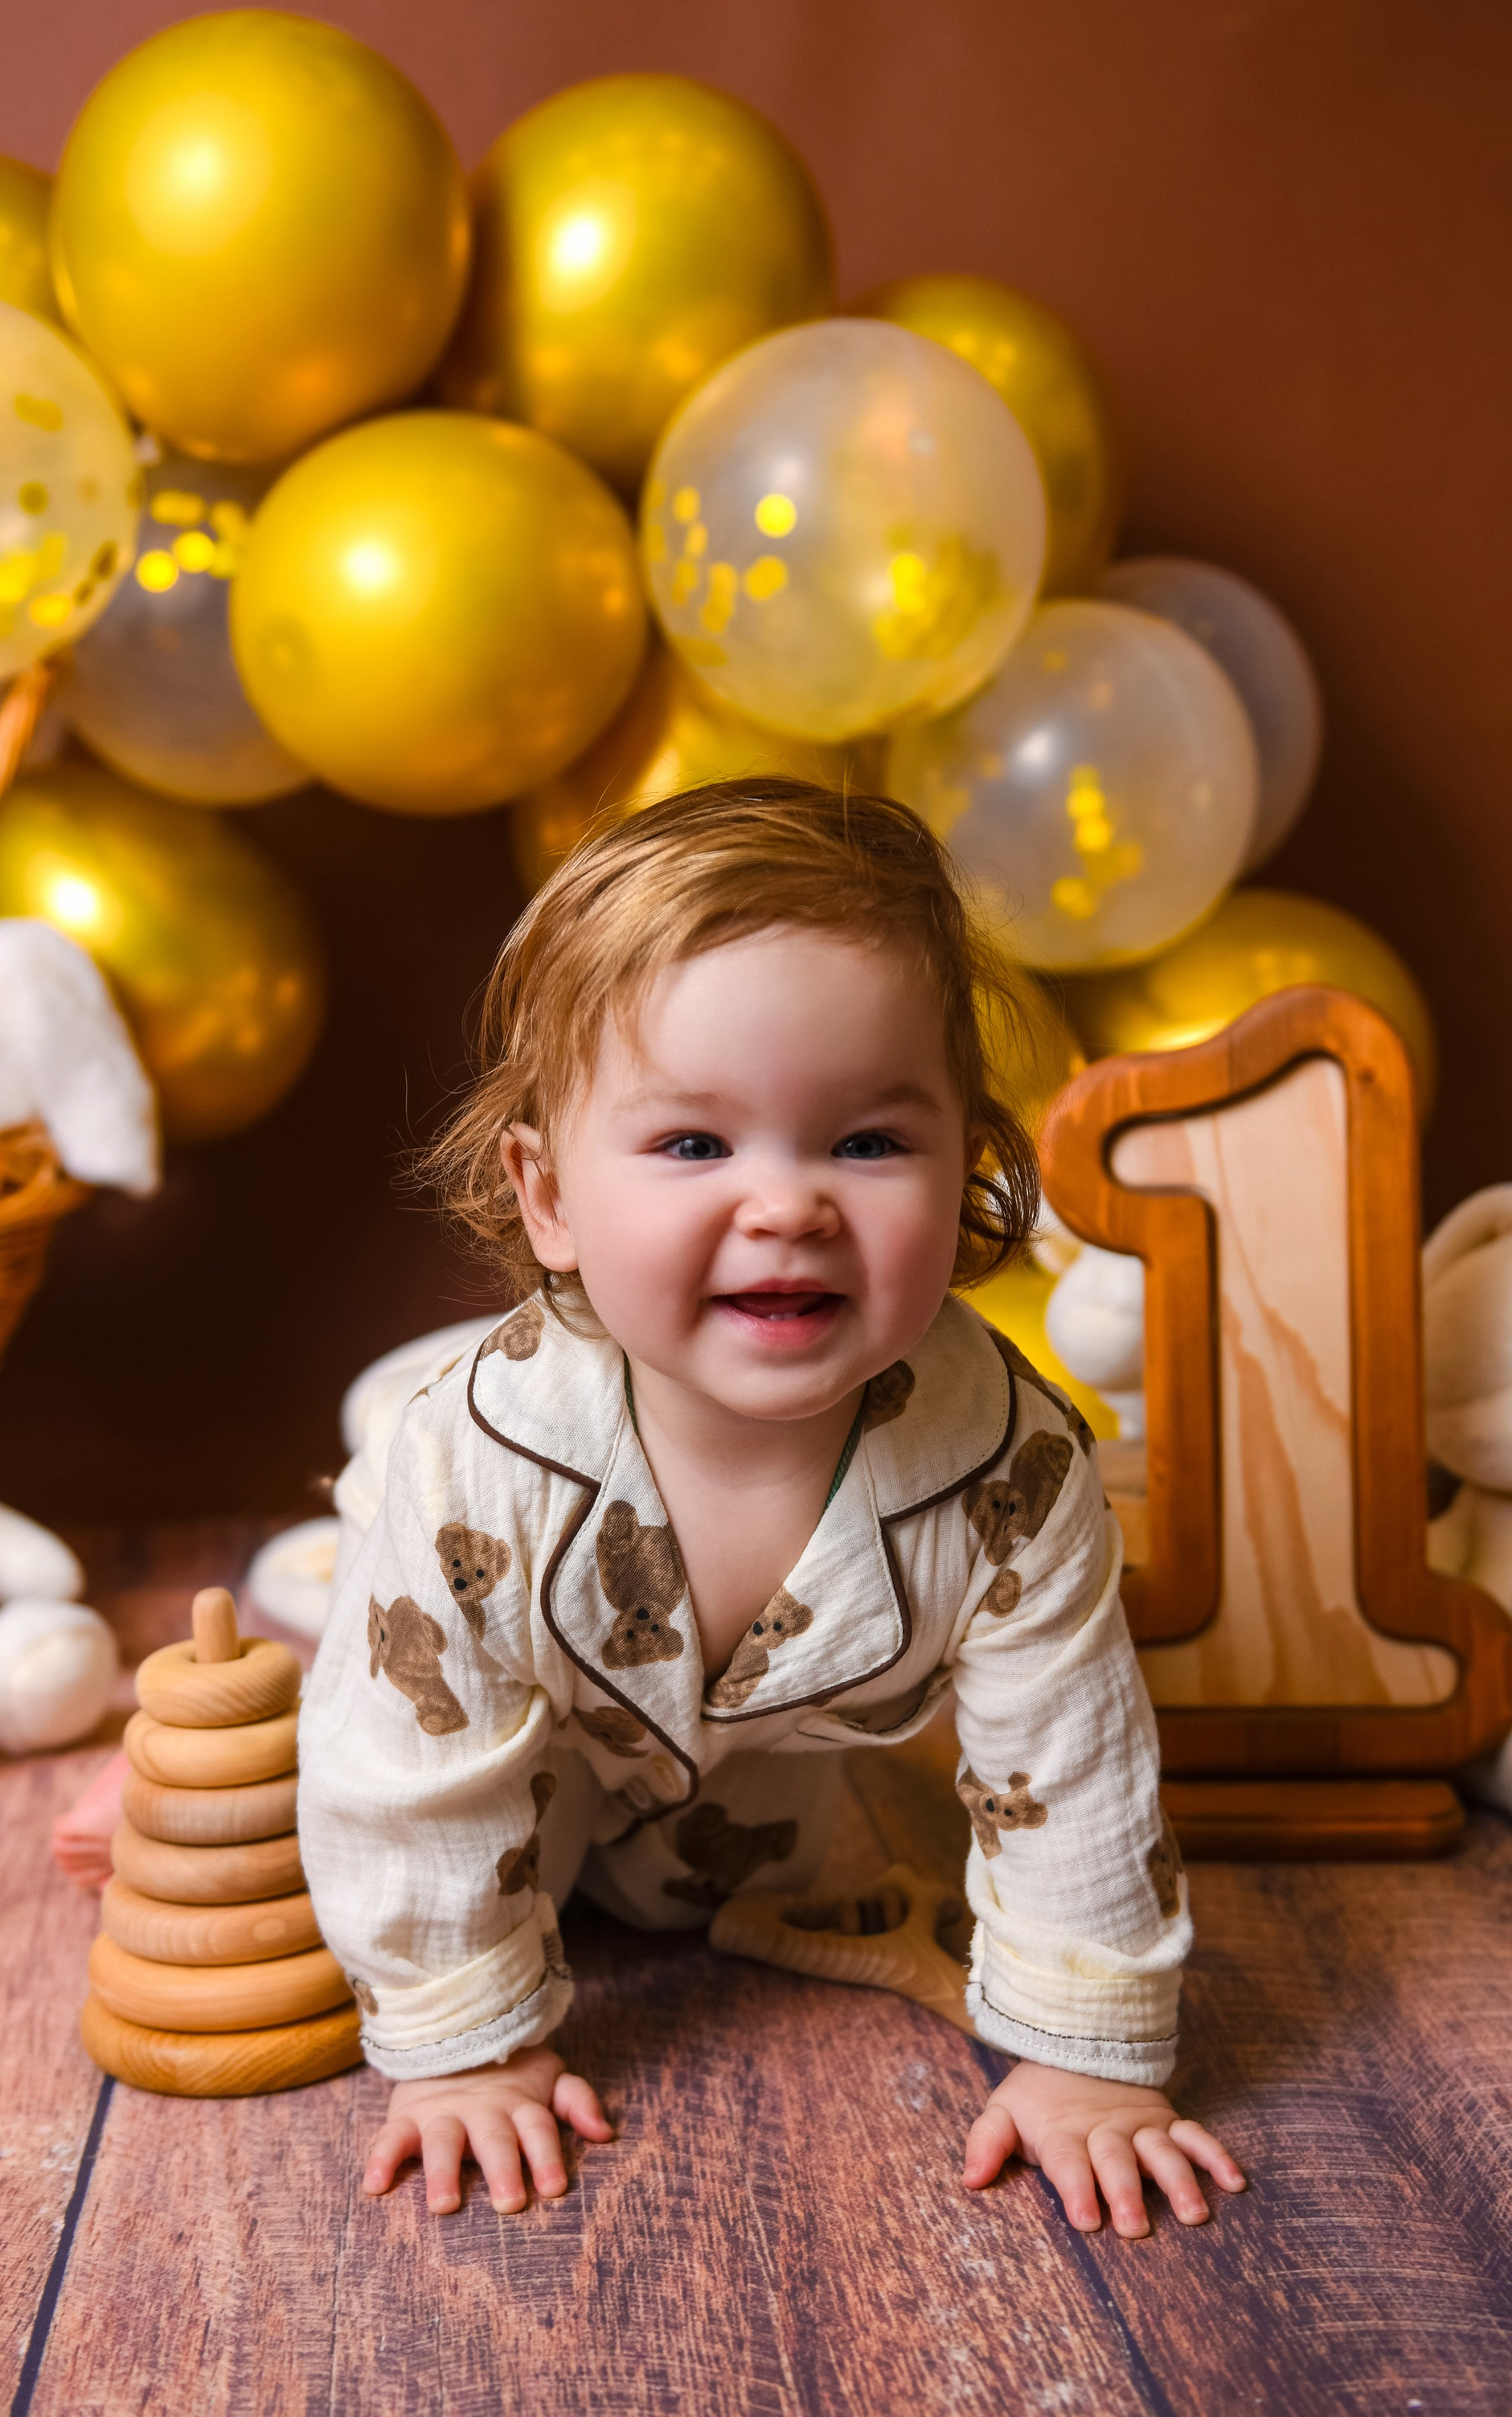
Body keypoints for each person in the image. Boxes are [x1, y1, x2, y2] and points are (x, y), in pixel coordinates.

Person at [297, 778, 1244, 2238]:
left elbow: (1070, 1760)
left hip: (753, 1811)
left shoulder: (1011, 1467)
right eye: (694, 1146)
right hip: (496, 1739)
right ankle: (224, 1693)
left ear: (970, 1165)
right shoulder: (472, 1473)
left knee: (757, 1851)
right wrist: (467, 2044)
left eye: (868, 1143)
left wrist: (1085, 2059)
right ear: (548, 1198)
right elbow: (403, 1780)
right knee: (306, 1734)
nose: (788, 1205)